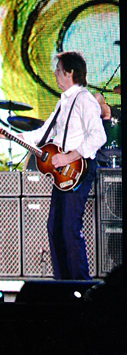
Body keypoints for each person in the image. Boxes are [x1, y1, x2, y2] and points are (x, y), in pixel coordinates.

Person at [16, 52, 106, 280]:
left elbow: (98, 136)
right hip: (63, 174)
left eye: (58, 70)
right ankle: (62, 283)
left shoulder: (84, 99)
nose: (55, 74)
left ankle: (80, 285)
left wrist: (68, 157)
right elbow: (43, 134)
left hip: (78, 169)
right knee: (55, 228)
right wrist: (12, 136)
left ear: (69, 73)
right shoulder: (63, 102)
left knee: (69, 229)